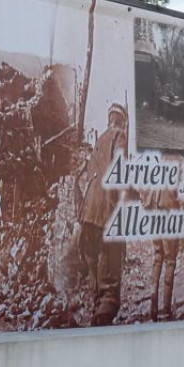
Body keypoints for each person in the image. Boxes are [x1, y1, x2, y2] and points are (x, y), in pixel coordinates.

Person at [77, 103, 129, 326]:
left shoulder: (98, 141)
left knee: (95, 264)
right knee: (110, 263)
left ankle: (96, 310)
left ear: (110, 119)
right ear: (122, 121)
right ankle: (103, 316)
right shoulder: (120, 137)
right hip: (107, 212)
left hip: (88, 214)